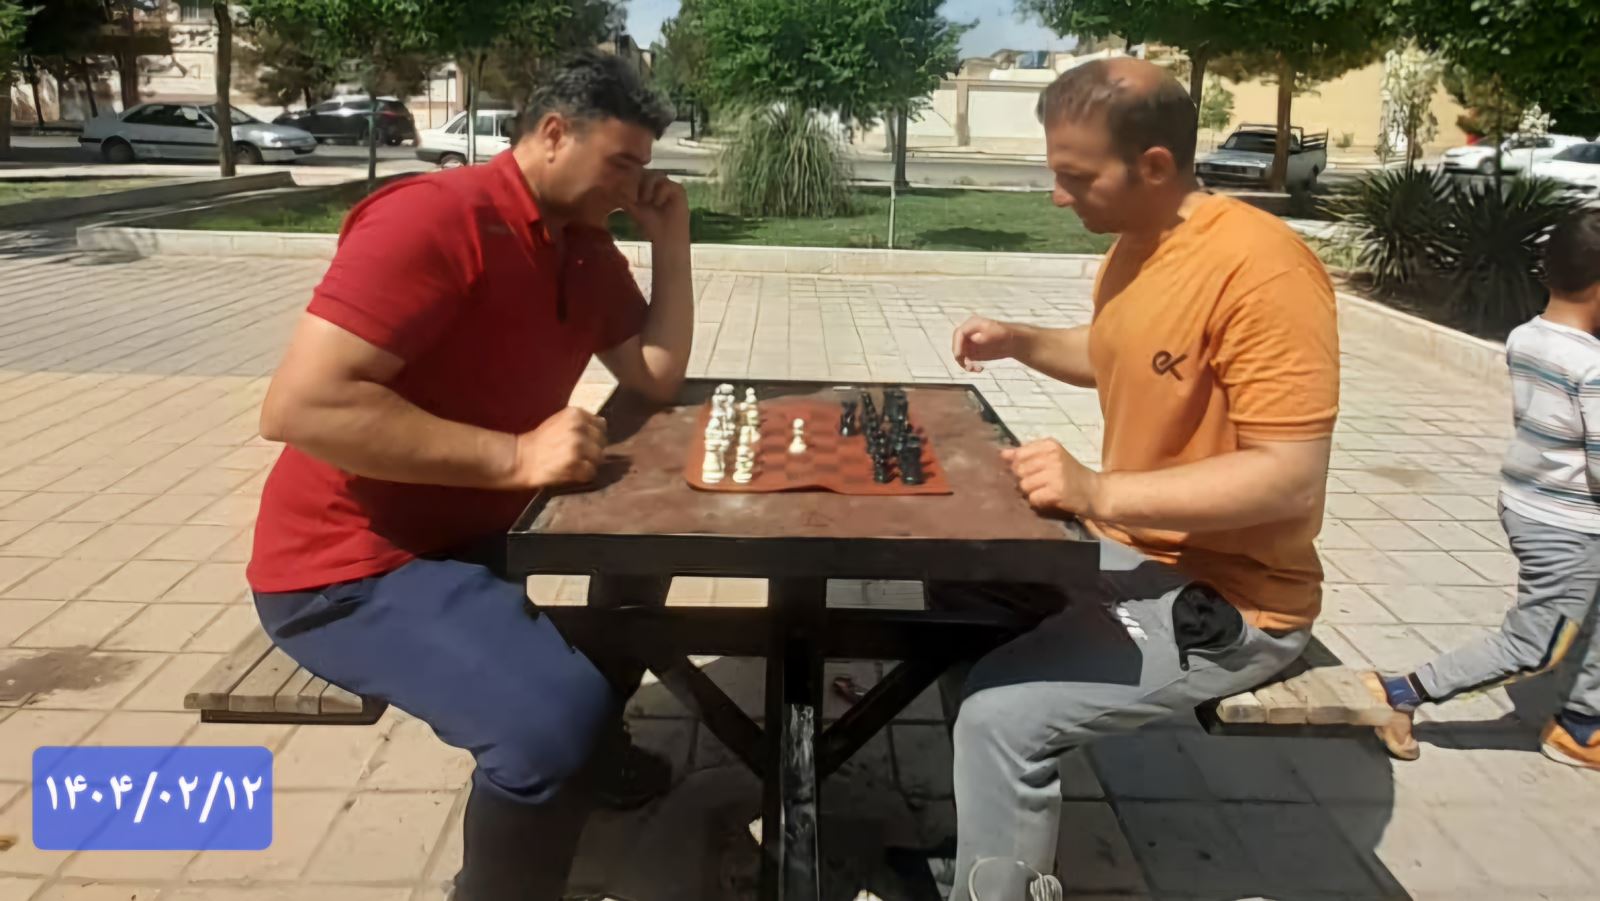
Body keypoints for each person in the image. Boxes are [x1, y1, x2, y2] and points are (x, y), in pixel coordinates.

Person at [245, 52, 693, 900]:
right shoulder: (436, 218)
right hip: (351, 569)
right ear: (553, 134)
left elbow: (657, 374)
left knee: (641, 567)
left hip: (483, 534)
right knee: (549, 724)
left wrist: (671, 239)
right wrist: (517, 456)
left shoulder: (585, 248)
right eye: (621, 164)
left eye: (642, 168)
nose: (633, 187)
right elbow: (301, 406)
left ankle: (596, 756)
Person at [934, 58, 1340, 899]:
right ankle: (990, 840)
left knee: (999, 718)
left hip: (1232, 597)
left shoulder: (1263, 270)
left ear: (1154, 165)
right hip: (1127, 553)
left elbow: (1291, 479)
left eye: (1075, 177)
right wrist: (1020, 340)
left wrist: (1096, 492)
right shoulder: (1134, 247)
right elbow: (1119, 350)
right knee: (957, 586)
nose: (1058, 197)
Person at [1366, 208, 1600, 770]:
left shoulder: (1528, 336)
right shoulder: (1592, 367)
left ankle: (1582, 724)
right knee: (1536, 644)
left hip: (1530, 501)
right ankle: (1400, 693)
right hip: (1569, 522)